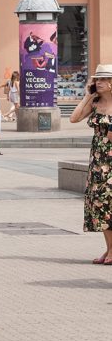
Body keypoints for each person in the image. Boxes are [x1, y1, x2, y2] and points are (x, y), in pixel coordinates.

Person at [69, 63, 112, 265]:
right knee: (99, 204)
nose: (98, 82)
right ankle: (109, 249)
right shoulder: (94, 102)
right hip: (98, 160)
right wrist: (87, 95)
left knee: (110, 203)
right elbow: (74, 118)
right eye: (97, 79)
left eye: (102, 79)